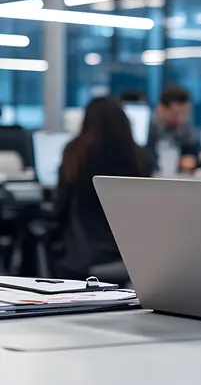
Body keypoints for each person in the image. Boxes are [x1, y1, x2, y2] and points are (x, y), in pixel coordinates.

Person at [53, 97, 151, 280]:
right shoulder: (139, 157)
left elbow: (60, 208)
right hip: (130, 252)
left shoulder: (76, 153)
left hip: (84, 253)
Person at [147, 85, 200, 174]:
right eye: (176, 113)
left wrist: (193, 161)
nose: (181, 118)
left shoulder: (186, 128)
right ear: (161, 109)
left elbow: (195, 155)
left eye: (184, 113)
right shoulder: (147, 130)